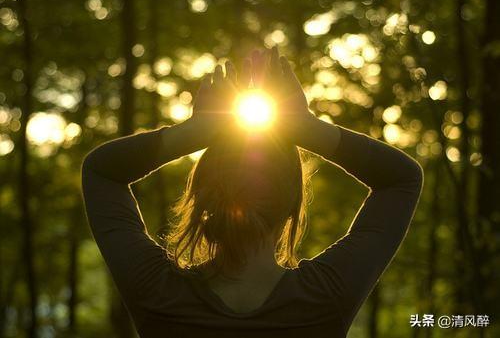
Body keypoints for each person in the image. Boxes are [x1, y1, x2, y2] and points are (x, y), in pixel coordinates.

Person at [81, 47, 423, 338]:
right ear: (292, 205)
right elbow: (401, 178)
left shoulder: (158, 292)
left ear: (202, 197)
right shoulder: (325, 296)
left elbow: (102, 171)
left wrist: (195, 131)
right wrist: (306, 127)